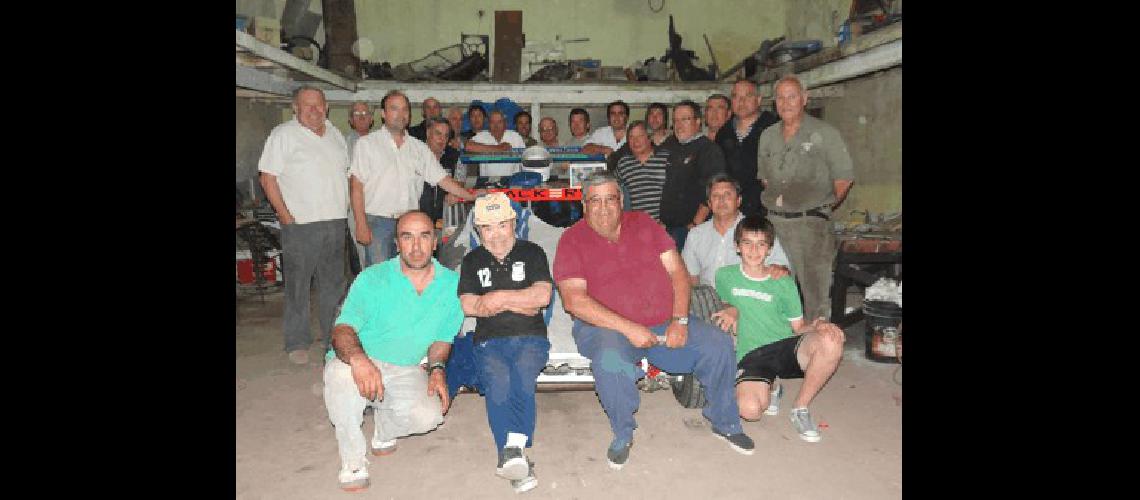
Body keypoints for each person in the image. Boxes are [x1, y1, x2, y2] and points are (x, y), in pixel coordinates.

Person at [552, 171, 754, 470]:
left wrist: (681, 320)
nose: (604, 207)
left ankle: (724, 420)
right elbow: (574, 301)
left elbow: (678, 273)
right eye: (596, 200)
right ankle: (623, 430)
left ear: (621, 201)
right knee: (610, 358)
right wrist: (629, 328)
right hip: (605, 327)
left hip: (663, 321)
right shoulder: (571, 240)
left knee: (718, 342)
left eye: (611, 199)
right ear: (585, 206)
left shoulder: (644, 224)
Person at [323, 210, 462, 492]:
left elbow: (442, 339)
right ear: (396, 243)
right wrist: (359, 360)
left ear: (435, 242)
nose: (416, 246)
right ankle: (352, 460)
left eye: (424, 236)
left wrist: (437, 370)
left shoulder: (452, 285)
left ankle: (384, 429)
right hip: (359, 359)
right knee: (340, 378)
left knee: (430, 417)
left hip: (405, 368)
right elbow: (342, 329)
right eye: (406, 237)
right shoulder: (373, 278)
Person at [709, 215, 845, 443]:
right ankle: (773, 387)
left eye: (761, 244)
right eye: (747, 243)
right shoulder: (725, 276)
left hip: (784, 347)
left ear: (770, 249)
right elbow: (719, 305)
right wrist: (730, 306)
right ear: (737, 246)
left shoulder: (782, 281)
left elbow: (799, 327)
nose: (754, 250)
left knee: (831, 341)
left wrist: (820, 324)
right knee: (750, 411)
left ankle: (800, 408)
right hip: (751, 354)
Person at [458, 192, 553, 494]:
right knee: (498, 380)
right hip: (489, 340)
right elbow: (469, 305)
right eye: (487, 227)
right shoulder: (472, 260)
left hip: (531, 337)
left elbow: (542, 298)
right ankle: (514, 454)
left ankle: (512, 452)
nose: (496, 234)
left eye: (502, 225)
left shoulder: (533, 252)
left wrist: (497, 299)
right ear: (478, 231)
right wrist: (520, 301)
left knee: (523, 375)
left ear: (514, 223)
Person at [258, 85, 349, 365]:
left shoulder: (335, 135)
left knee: (333, 288)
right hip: (301, 225)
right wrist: (285, 216)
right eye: (307, 105)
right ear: (295, 108)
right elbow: (267, 177)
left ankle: (333, 341)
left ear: (327, 107)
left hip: (335, 223)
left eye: (319, 105)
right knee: (298, 286)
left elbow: (343, 174)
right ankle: (296, 341)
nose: (314, 110)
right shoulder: (283, 135)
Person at [757, 75, 854, 320]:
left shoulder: (825, 133)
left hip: (810, 227)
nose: (785, 103)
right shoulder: (767, 136)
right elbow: (766, 179)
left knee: (814, 298)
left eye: (792, 96)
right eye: (780, 97)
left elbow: (844, 178)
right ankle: (780, 350)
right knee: (772, 292)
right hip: (774, 225)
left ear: (804, 99)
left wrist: (818, 208)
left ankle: (817, 352)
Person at [350, 90, 478, 267]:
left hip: (409, 223)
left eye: (405, 110)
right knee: (381, 278)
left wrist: (471, 196)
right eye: (394, 109)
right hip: (378, 223)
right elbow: (356, 186)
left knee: (410, 273)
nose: (400, 114)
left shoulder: (418, 148)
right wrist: (360, 224)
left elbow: (443, 179)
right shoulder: (367, 144)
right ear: (383, 114)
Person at [684, 174, 790, 288]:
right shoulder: (696, 235)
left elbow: (781, 269)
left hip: (747, 299)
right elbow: (690, 278)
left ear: (738, 201)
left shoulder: (759, 230)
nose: (721, 200)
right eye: (715, 196)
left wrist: (780, 269)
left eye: (727, 195)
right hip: (709, 301)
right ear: (709, 204)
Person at [658, 100, 726, 250]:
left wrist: (695, 225)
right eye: (675, 120)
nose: (679, 125)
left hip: (692, 229)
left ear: (697, 122)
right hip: (668, 227)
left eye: (685, 119)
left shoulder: (708, 150)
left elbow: (713, 190)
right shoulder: (670, 145)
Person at [716, 79, 780, 217]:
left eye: (748, 96)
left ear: (759, 99)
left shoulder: (774, 129)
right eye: (736, 97)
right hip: (731, 212)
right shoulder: (723, 134)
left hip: (766, 212)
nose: (741, 101)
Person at [612, 121, 669, 221]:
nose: (635, 141)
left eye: (640, 136)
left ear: (649, 137)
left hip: (665, 226)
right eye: (631, 137)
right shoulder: (624, 163)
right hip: (637, 226)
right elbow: (612, 188)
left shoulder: (666, 159)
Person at [344, 101, 374, 274]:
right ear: (350, 119)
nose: (362, 118)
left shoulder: (379, 142)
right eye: (357, 114)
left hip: (379, 206)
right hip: (356, 207)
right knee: (362, 253)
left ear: (371, 119)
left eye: (365, 114)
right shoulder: (345, 144)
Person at [418, 117, 463, 223]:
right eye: (438, 133)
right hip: (417, 217)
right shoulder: (414, 153)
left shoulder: (456, 156)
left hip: (445, 218)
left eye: (446, 136)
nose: (442, 139)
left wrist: (455, 193)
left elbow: (461, 180)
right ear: (428, 133)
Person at [464, 109, 528, 178]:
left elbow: (525, 160)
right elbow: (468, 146)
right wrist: (499, 148)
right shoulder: (482, 136)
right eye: (492, 122)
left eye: (499, 122)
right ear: (488, 124)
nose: (496, 126)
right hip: (487, 184)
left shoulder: (515, 137)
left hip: (512, 183)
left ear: (505, 123)